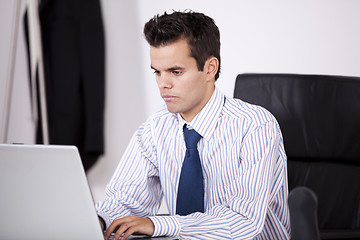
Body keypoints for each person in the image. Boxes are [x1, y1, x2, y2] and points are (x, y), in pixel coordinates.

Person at [96, 10, 291, 240]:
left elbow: (243, 221)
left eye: (175, 72)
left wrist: (162, 224)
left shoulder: (255, 126)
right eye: (157, 72)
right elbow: (124, 201)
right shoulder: (155, 128)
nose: (163, 84)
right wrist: (98, 219)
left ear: (210, 68)